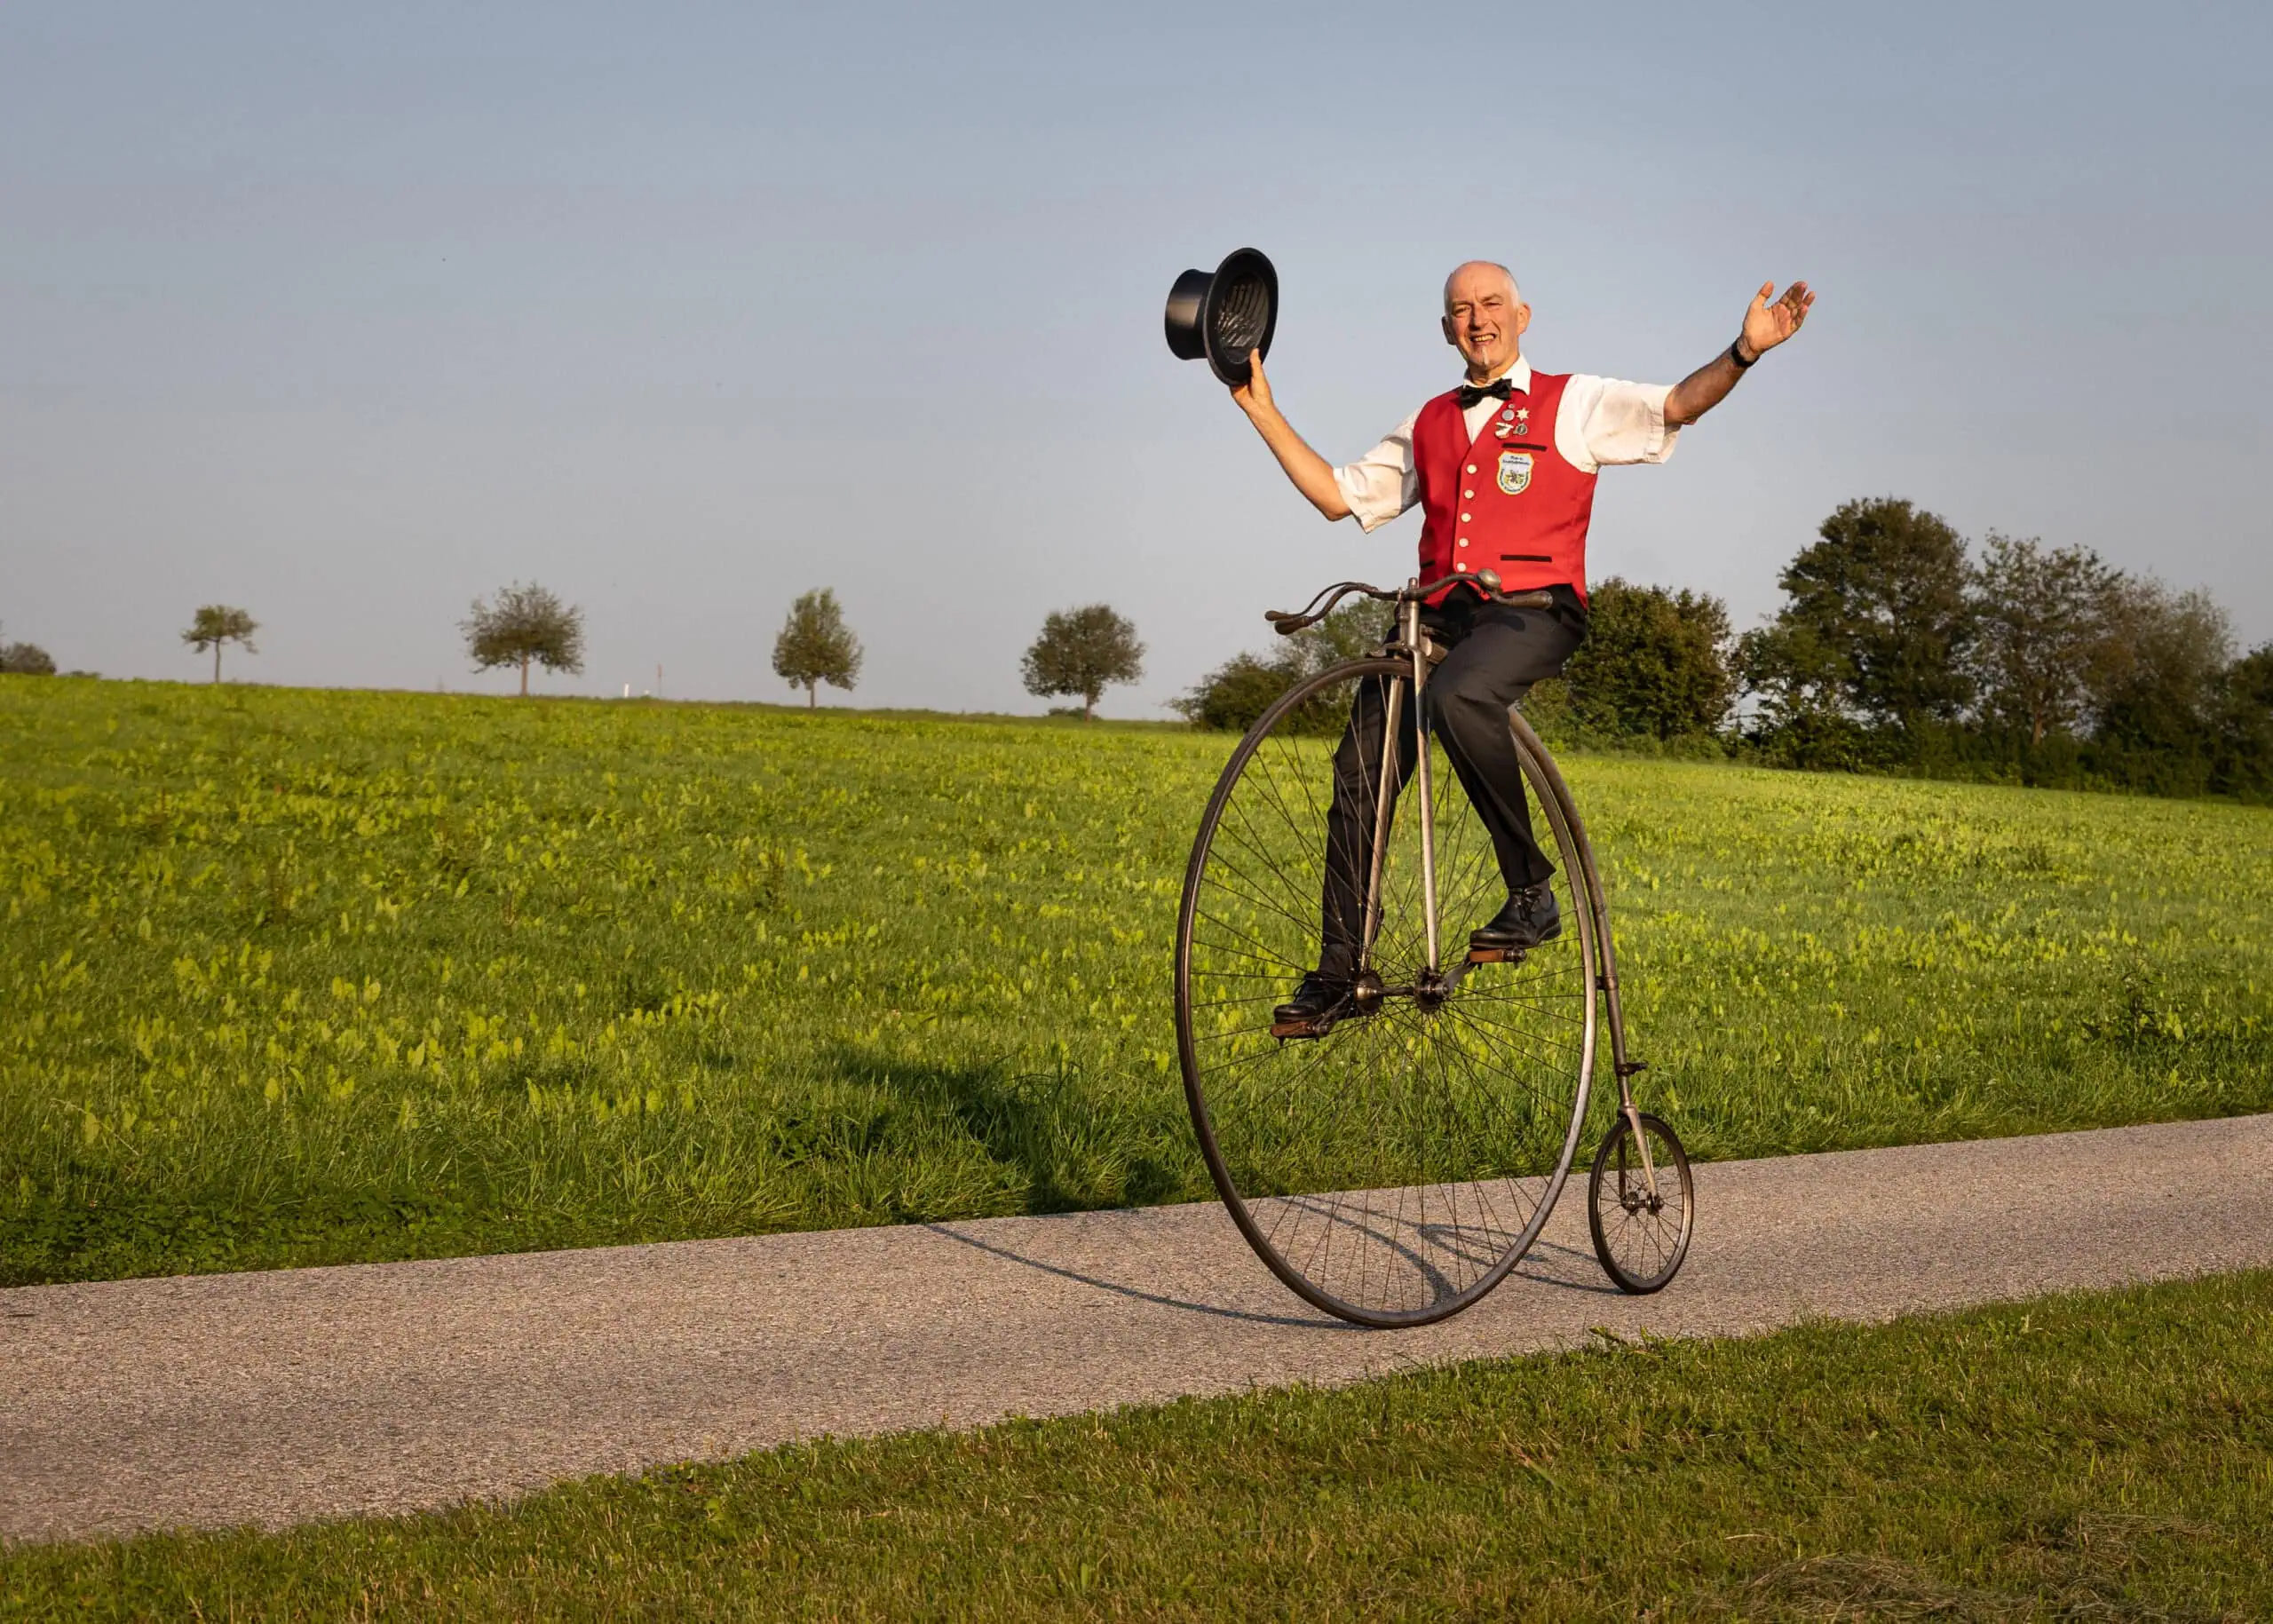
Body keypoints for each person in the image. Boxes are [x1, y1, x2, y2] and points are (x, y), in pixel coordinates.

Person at [1231, 260, 1813, 1034]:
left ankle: (1530, 891)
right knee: (1359, 768)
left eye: (1492, 304)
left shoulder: (1574, 403)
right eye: (1462, 309)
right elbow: (1339, 496)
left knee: (1459, 695)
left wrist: (1743, 351)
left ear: (1523, 315)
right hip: (1435, 619)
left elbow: (1677, 404)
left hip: (1534, 610)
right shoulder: (1430, 421)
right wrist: (1260, 410)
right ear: (1447, 328)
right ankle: (1341, 972)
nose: (1479, 319)